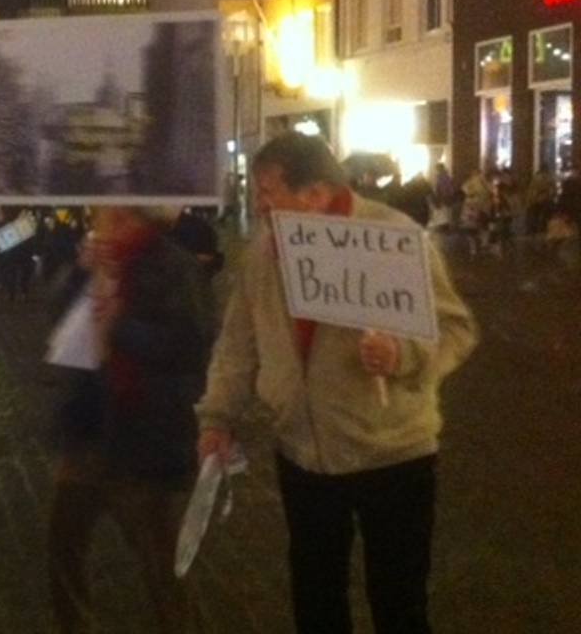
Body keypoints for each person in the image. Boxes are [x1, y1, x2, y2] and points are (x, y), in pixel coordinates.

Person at [197, 133, 478, 634]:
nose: (258, 205)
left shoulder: (392, 237)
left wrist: (402, 354)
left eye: (268, 192)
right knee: (316, 597)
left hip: (392, 453)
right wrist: (217, 417)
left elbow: (455, 329)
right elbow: (237, 345)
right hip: (303, 454)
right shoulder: (263, 254)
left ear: (316, 193)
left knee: (399, 602)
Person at [47, 207, 215, 634]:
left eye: (116, 218)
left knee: (160, 563)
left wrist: (119, 327)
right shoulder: (99, 259)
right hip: (88, 429)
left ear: (141, 219)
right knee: (64, 547)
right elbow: (59, 314)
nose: (104, 227)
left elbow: (189, 346)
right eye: (102, 218)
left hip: (143, 434)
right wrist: (78, 273)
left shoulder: (173, 267)